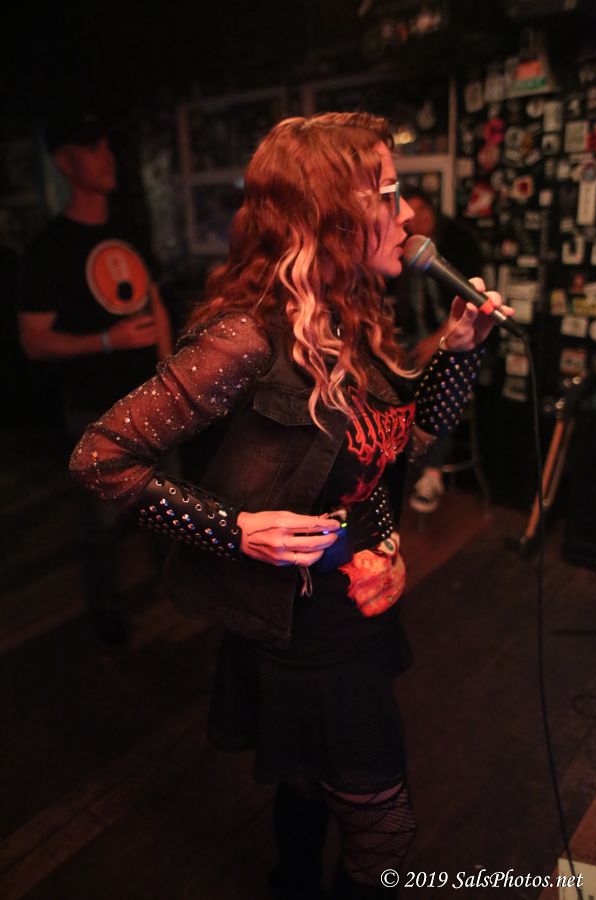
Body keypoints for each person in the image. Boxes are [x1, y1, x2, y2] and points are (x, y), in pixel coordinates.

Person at [69, 112, 512, 898]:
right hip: (304, 634)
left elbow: (404, 445)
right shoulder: (246, 339)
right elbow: (98, 458)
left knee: (306, 787)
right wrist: (233, 529)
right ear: (331, 214)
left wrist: (457, 352)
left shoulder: (353, 313)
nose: (408, 216)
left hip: (354, 610)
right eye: (389, 194)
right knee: (387, 835)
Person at [18, 110, 173, 645]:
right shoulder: (49, 248)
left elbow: (155, 304)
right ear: (65, 162)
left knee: (168, 504)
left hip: (152, 401)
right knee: (101, 522)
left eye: (108, 146)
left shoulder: (128, 230)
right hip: (95, 408)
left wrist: (169, 380)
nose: (108, 157)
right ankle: (107, 613)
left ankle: (176, 589)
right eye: (93, 147)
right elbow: (34, 341)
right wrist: (107, 341)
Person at [392, 186, 483, 514]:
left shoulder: (458, 242)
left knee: (440, 383)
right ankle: (394, 464)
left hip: (451, 334)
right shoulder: (401, 248)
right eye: (410, 214)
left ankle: (431, 473)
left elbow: (471, 298)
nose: (416, 219)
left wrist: (438, 341)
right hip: (412, 336)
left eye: (423, 211)